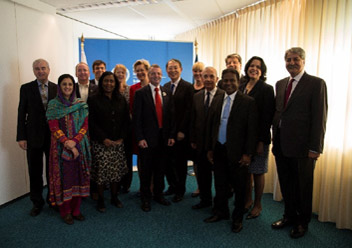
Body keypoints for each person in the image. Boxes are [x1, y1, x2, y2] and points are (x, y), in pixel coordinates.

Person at [271, 47, 328, 238]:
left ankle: (302, 223)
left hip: (304, 148)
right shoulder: (280, 84)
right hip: (281, 145)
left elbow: (320, 117)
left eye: (296, 59)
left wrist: (315, 147)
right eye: (288, 60)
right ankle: (288, 216)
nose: (292, 63)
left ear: (303, 61)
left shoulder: (316, 83)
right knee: (286, 185)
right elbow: (279, 112)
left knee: (302, 187)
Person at [204, 68, 257, 233]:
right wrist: (210, 149)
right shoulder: (218, 99)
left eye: (232, 80)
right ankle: (221, 212)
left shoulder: (248, 102)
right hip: (219, 148)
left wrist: (248, 154)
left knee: (240, 187)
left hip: (238, 152)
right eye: (225, 80)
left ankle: (237, 218)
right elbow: (212, 126)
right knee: (220, 184)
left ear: (239, 81)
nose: (228, 83)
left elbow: (252, 131)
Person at [46, 74, 91, 225]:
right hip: (60, 149)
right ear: (59, 87)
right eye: (64, 84)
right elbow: (53, 126)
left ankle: (76, 210)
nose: (67, 87)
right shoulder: (53, 105)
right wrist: (66, 142)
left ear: (74, 87)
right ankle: (65, 211)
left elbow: (85, 126)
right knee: (65, 179)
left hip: (79, 147)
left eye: (70, 84)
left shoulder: (80, 104)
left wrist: (75, 141)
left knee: (78, 177)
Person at [16, 58, 57, 217]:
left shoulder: (56, 87)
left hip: (53, 136)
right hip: (32, 136)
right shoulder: (26, 88)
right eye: (37, 69)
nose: (40, 71)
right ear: (34, 71)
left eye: (43, 68)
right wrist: (21, 136)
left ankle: (52, 200)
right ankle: (37, 202)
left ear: (49, 69)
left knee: (52, 171)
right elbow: (21, 113)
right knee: (35, 171)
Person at [133, 64, 175, 212]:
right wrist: (140, 138)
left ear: (161, 75)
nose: (156, 76)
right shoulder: (140, 93)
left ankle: (158, 195)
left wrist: (171, 135)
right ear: (148, 75)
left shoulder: (166, 92)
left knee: (160, 169)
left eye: (158, 74)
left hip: (163, 140)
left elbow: (170, 117)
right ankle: (146, 198)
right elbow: (136, 119)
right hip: (147, 141)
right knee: (146, 171)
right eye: (153, 74)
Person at [88, 71, 130, 212]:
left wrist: (121, 138)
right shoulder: (93, 99)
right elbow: (91, 122)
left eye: (112, 81)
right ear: (101, 83)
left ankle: (114, 196)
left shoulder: (121, 99)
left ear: (115, 83)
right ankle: (100, 199)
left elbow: (126, 120)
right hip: (100, 143)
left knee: (115, 172)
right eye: (106, 81)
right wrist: (103, 139)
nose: (109, 84)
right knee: (100, 173)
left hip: (117, 142)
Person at [239, 56, 275, 219]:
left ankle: (258, 204)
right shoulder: (241, 86)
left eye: (258, 67)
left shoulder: (266, 89)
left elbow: (267, 117)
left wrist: (261, 142)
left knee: (258, 172)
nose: (254, 68)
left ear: (262, 71)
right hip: (243, 138)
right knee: (246, 170)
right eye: (252, 66)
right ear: (247, 68)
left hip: (259, 138)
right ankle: (247, 199)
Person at [190, 67, 224, 210]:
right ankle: (205, 200)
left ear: (217, 79)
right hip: (200, 143)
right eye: (206, 76)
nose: (208, 79)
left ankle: (219, 203)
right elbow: (193, 119)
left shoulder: (223, 95)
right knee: (203, 174)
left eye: (211, 76)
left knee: (219, 176)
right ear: (201, 79)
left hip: (218, 143)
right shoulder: (196, 96)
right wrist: (193, 139)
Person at [163, 59, 194, 203]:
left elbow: (189, 111)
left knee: (180, 163)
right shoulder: (165, 86)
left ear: (181, 69)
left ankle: (180, 190)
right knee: (168, 161)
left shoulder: (188, 87)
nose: (172, 70)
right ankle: (172, 186)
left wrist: (182, 130)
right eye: (170, 68)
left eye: (175, 68)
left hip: (181, 132)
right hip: (168, 132)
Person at [129, 59, 150, 187]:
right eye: (137, 71)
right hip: (140, 130)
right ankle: (144, 187)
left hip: (153, 129)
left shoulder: (155, 85)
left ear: (147, 70)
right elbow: (132, 110)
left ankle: (153, 187)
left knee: (153, 160)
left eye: (142, 70)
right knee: (141, 158)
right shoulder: (133, 89)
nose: (140, 72)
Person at [113, 64, 133, 193]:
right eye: (118, 72)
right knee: (115, 158)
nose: (120, 75)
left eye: (123, 72)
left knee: (127, 157)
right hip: (114, 130)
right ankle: (115, 183)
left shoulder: (130, 89)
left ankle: (126, 184)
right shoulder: (110, 90)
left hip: (128, 130)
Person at [190, 61, 205, 198]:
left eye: (200, 71)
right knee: (196, 161)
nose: (198, 74)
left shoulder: (210, 87)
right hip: (195, 131)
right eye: (195, 71)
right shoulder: (190, 88)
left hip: (208, 132)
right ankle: (199, 186)